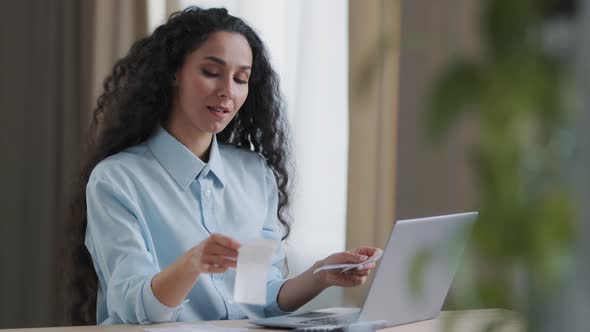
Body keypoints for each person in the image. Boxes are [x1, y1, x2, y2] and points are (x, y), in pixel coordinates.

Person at [66, 6, 381, 326]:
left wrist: (321, 275)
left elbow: (256, 296)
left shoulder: (255, 175)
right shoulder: (117, 180)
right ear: (174, 72)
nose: (228, 91)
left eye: (241, 78)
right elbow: (134, 307)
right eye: (211, 72)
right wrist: (192, 264)